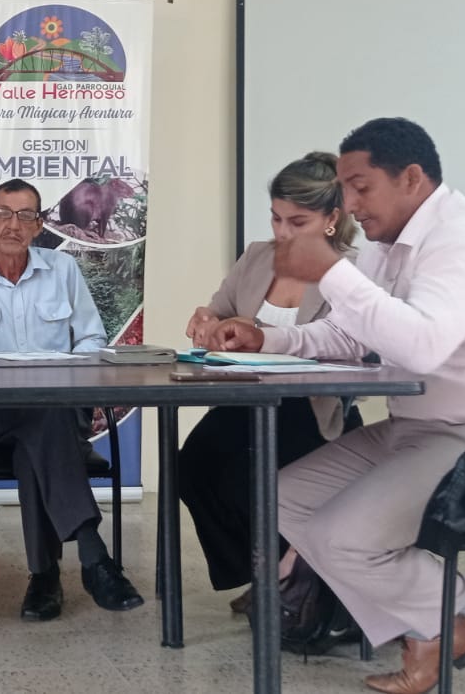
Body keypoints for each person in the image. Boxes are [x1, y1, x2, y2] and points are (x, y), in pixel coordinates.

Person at [205, 118, 465, 693]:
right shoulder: (387, 247)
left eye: (361, 188)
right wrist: (269, 338)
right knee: (280, 497)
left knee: (341, 538)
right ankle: (447, 618)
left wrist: (332, 271)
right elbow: (350, 336)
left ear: (411, 178)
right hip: (422, 424)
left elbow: (422, 346)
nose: (351, 204)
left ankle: (455, 610)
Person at [0, 178, 142, 622]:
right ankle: (93, 557)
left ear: (40, 225)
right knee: (41, 425)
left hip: (60, 411)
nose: (13, 225)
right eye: (4, 214)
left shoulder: (63, 271)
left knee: (38, 435)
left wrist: (69, 372)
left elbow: (92, 340)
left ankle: (45, 578)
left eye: (25, 216)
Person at [177, 152, 362, 611]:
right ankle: (264, 575)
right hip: (248, 397)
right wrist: (206, 319)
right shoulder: (258, 256)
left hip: (312, 407)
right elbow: (220, 309)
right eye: (276, 218)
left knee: (252, 478)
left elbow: (345, 346)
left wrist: (257, 332)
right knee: (194, 466)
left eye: (297, 222)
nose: (282, 232)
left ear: (331, 219)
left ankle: (290, 581)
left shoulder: (353, 271)